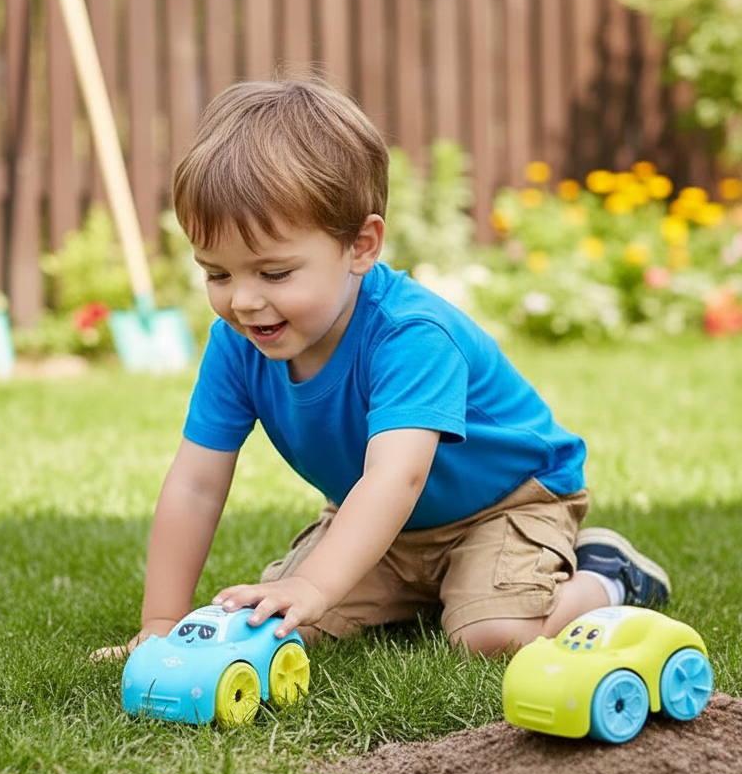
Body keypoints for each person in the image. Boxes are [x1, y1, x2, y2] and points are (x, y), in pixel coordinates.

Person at [92, 75, 669, 662]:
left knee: (491, 637)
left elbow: (398, 477)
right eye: (217, 274)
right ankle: (434, 591)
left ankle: (606, 573)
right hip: (379, 521)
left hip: (507, 503)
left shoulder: (411, 334)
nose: (242, 301)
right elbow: (196, 483)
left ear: (362, 246)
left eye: (273, 274)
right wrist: (162, 621)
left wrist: (314, 584)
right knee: (271, 628)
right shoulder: (237, 344)